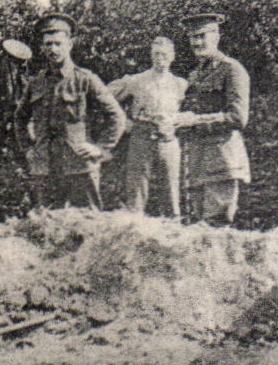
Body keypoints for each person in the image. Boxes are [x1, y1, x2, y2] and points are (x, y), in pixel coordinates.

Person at [24, 12, 127, 210]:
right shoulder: (36, 83)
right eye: (48, 44)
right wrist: (28, 148)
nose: (52, 49)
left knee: (87, 225)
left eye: (57, 43)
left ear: (69, 44)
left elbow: (117, 115)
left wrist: (101, 147)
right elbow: (19, 118)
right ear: (42, 47)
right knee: (46, 225)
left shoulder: (85, 79)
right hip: (45, 167)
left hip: (79, 166)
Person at [177, 12, 250, 225]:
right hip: (197, 163)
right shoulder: (194, 75)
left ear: (216, 36)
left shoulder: (232, 70)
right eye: (192, 37)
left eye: (202, 36)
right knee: (196, 228)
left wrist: (195, 121)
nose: (197, 42)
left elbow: (238, 118)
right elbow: (189, 116)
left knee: (215, 228)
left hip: (221, 163)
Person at [110, 35, 188, 217]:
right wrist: (123, 122)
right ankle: (135, 230)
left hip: (168, 138)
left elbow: (191, 111)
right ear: (151, 56)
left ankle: (172, 231)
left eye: (164, 54)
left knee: (171, 190)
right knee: (137, 190)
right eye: (156, 54)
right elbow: (105, 98)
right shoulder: (136, 81)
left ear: (173, 56)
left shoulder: (181, 84)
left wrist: (177, 121)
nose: (160, 58)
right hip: (141, 136)